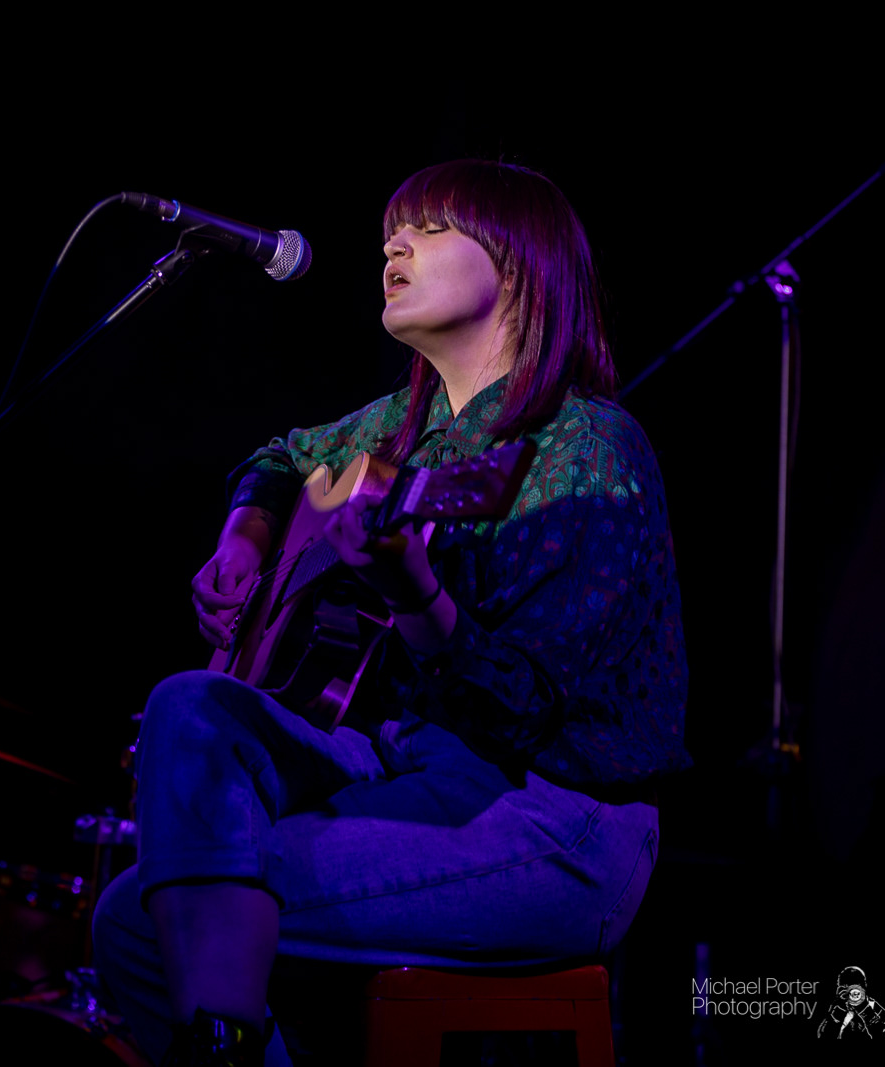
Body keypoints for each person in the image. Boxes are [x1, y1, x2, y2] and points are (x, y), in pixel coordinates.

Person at [91, 159, 692, 1066]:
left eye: (431, 227)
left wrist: (414, 589)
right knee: (189, 710)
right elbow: (279, 458)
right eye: (390, 234)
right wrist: (246, 539)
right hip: (404, 766)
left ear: (520, 265)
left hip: (555, 819)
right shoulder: (401, 429)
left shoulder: (588, 447)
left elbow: (526, 715)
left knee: (176, 907)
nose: (394, 246)